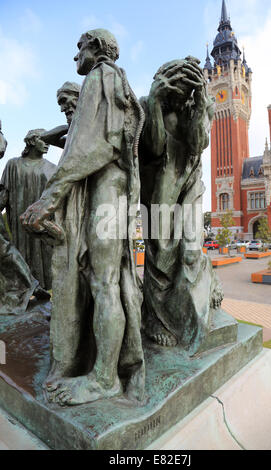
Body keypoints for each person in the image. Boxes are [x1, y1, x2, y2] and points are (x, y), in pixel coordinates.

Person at [21, 29, 145, 406]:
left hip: (107, 188)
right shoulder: (117, 81)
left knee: (105, 284)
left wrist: (50, 196)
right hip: (113, 190)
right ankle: (104, 367)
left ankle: (105, 379)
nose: (76, 56)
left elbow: (92, 143)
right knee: (105, 281)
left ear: (96, 48)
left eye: (80, 48)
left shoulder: (101, 75)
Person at [139, 57, 223, 355]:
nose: (180, 93)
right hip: (159, 188)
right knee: (160, 252)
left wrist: (200, 99)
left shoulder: (194, 107)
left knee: (189, 248)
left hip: (188, 185)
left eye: (185, 88)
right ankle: (155, 319)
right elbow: (155, 145)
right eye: (176, 86)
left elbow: (199, 141)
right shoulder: (149, 104)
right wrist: (155, 101)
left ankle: (207, 283)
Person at [0, 129, 56, 290]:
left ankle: (44, 296)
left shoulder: (52, 168)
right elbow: (4, 194)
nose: (47, 144)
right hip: (20, 225)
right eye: (44, 140)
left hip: (43, 224)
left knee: (45, 263)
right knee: (21, 259)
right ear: (31, 141)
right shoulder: (13, 164)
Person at [41, 81, 81, 149]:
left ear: (79, 96)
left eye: (64, 100)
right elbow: (45, 138)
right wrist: (72, 125)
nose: (62, 109)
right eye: (60, 104)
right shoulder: (75, 139)